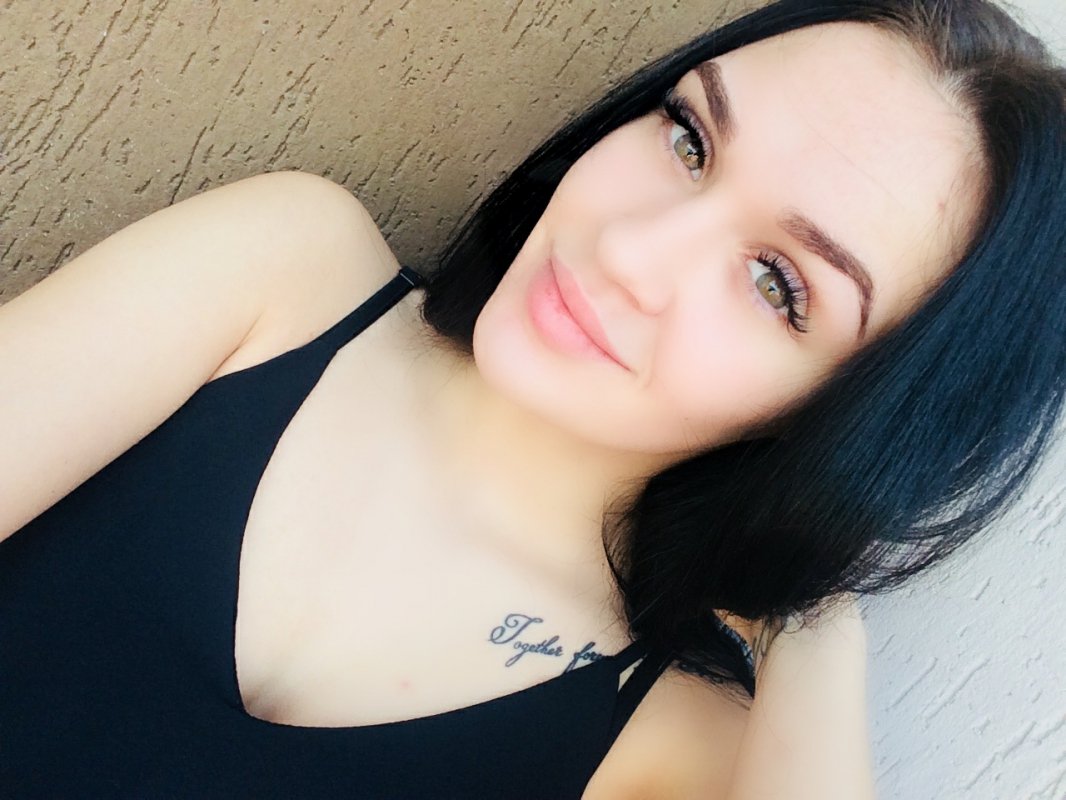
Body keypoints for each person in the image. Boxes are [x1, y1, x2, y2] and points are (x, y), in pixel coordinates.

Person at [1, 0, 1063, 796]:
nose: (630, 249)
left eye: (777, 284)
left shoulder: (675, 741)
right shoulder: (284, 274)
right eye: (688, 138)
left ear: (862, 416)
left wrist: (816, 620)